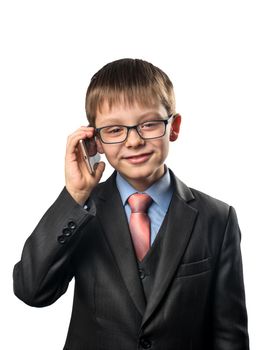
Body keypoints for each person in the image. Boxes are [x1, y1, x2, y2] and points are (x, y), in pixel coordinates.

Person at [13, 58, 249, 350]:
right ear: (94, 141)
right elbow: (31, 291)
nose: (134, 141)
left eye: (149, 124)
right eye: (114, 130)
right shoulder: (82, 210)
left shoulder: (217, 218)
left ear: (173, 127)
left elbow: (229, 333)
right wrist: (74, 196)